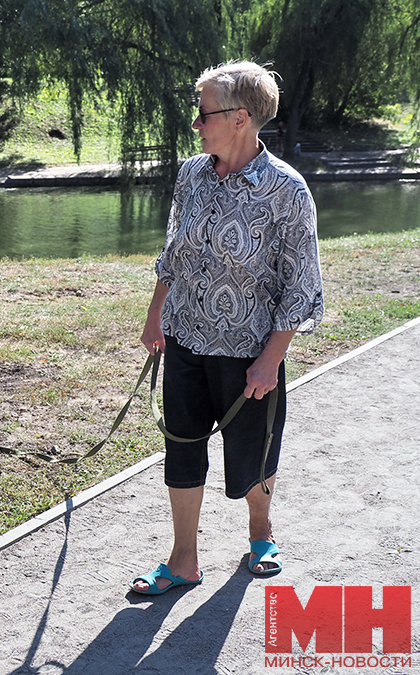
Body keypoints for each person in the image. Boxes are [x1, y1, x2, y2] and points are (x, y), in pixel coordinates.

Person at [130, 61, 323, 595]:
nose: (196, 124)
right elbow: (175, 253)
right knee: (182, 445)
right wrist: (155, 315)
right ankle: (183, 560)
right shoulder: (192, 174)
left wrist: (272, 357)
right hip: (187, 339)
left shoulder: (287, 190)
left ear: (240, 118)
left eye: (203, 113)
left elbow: (301, 284)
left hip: (249, 350)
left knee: (251, 451)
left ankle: (261, 531)